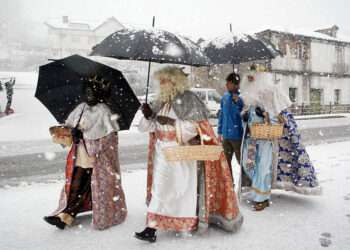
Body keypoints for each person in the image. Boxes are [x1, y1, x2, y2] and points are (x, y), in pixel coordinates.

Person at [135, 66, 243, 243]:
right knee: (160, 189)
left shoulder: (188, 99)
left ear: (175, 82)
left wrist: (171, 122)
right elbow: (147, 128)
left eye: (165, 81)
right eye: (160, 81)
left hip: (181, 154)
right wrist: (147, 115)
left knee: (180, 190)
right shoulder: (160, 102)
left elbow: (195, 128)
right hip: (162, 153)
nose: (162, 85)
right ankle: (151, 227)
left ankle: (183, 222)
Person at [44, 79, 127, 230]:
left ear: (98, 93)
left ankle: (68, 216)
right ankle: (64, 216)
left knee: (90, 187)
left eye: (92, 91)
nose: (89, 95)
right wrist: (68, 131)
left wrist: (85, 136)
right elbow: (69, 126)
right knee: (76, 186)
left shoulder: (104, 111)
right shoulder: (81, 108)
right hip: (80, 156)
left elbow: (111, 138)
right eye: (87, 91)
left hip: (97, 160)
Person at [240, 64, 321, 211]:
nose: (250, 78)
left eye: (253, 75)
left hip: (267, 139)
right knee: (248, 164)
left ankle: (262, 198)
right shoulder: (250, 95)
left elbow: (281, 117)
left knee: (263, 167)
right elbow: (246, 114)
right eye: (249, 75)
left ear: (261, 78)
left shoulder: (273, 92)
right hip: (252, 138)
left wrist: (265, 115)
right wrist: (245, 115)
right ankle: (257, 191)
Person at [218, 72, 250, 186]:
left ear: (236, 85)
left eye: (229, 83)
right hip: (226, 136)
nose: (226, 85)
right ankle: (229, 184)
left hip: (237, 136)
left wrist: (237, 104)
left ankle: (246, 184)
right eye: (226, 83)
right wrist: (219, 131)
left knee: (241, 161)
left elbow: (244, 116)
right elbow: (222, 115)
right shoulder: (225, 97)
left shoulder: (242, 99)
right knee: (226, 162)